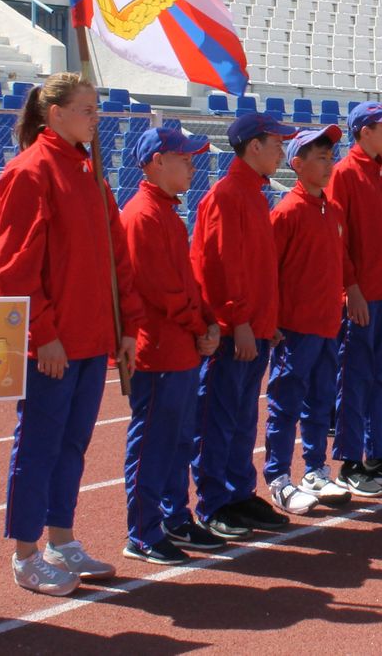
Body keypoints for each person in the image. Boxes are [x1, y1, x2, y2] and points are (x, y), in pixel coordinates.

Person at [0, 72, 142, 596]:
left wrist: (125, 327)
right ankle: (26, 553)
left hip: (93, 338)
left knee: (72, 445)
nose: (95, 119)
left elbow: (116, 258)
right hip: (53, 344)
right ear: (54, 113)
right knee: (38, 446)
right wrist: (42, 333)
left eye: (97, 110)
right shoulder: (29, 171)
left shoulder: (90, 171)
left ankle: (62, 538)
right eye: (87, 110)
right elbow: (14, 268)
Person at [189, 112, 298, 538]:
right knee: (218, 419)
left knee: (240, 417)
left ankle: (238, 493)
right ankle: (214, 502)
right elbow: (220, 266)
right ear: (254, 146)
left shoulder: (252, 193)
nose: (281, 152)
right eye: (277, 144)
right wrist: (239, 322)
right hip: (234, 332)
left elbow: (256, 268)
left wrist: (265, 320)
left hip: (252, 328)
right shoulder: (227, 195)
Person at [119, 127, 223, 566]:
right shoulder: (143, 215)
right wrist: (202, 325)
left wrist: (207, 322)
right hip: (158, 350)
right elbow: (162, 291)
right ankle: (143, 532)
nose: (193, 167)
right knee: (153, 445)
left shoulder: (164, 212)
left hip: (179, 348)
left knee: (178, 441)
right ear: (158, 161)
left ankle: (174, 517)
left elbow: (185, 282)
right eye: (185, 159)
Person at [266, 125, 357, 509]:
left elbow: (340, 262)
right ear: (298, 164)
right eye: (320, 157)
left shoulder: (332, 210)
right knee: (285, 403)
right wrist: (272, 320)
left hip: (327, 325)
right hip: (294, 329)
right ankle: (278, 477)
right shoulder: (286, 211)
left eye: (330, 156)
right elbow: (269, 271)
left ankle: (315, 470)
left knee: (321, 402)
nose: (329, 164)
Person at [328, 103, 382, 491]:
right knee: (355, 381)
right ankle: (351, 463)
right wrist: (351, 289)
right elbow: (338, 239)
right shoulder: (344, 174)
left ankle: (380, 455)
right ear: (365, 131)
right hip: (363, 299)